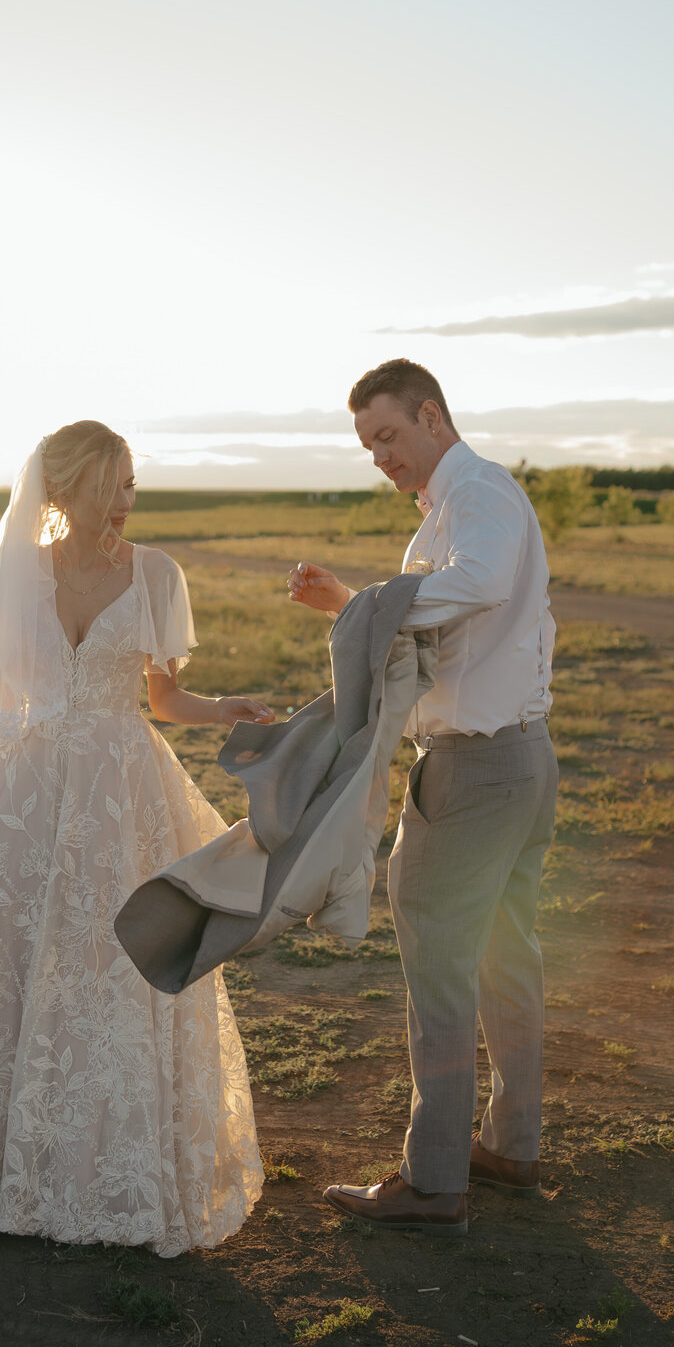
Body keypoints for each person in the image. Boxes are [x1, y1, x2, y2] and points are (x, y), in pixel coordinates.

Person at [0, 421, 270, 1256]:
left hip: (121, 792)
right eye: (117, 483)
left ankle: (109, 1171)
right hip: (27, 789)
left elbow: (161, 698)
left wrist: (222, 708)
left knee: (114, 959)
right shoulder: (23, 575)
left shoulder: (155, 574)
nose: (128, 499)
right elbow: (1, 706)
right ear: (77, 486)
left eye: (131, 484)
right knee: (10, 958)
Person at [288, 360, 557, 1235]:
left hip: (477, 770)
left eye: (389, 435)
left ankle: (434, 1181)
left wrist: (369, 607)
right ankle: (512, 1145)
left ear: (431, 415)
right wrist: (352, 605)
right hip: (516, 758)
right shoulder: (454, 507)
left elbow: (474, 586)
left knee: (441, 965)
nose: (379, 456)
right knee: (503, 954)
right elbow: (442, 632)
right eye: (368, 445)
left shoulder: (477, 492)